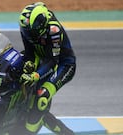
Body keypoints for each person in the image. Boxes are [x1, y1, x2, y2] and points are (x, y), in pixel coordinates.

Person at [18, 2, 76, 135]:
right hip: (41, 57)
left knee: (41, 99)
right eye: (25, 31)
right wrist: (28, 63)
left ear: (42, 26)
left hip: (63, 65)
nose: (28, 34)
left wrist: (36, 75)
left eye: (31, 32)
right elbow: (29, 52)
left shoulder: (54, 30)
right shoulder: (26, 26)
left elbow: (52, 61)